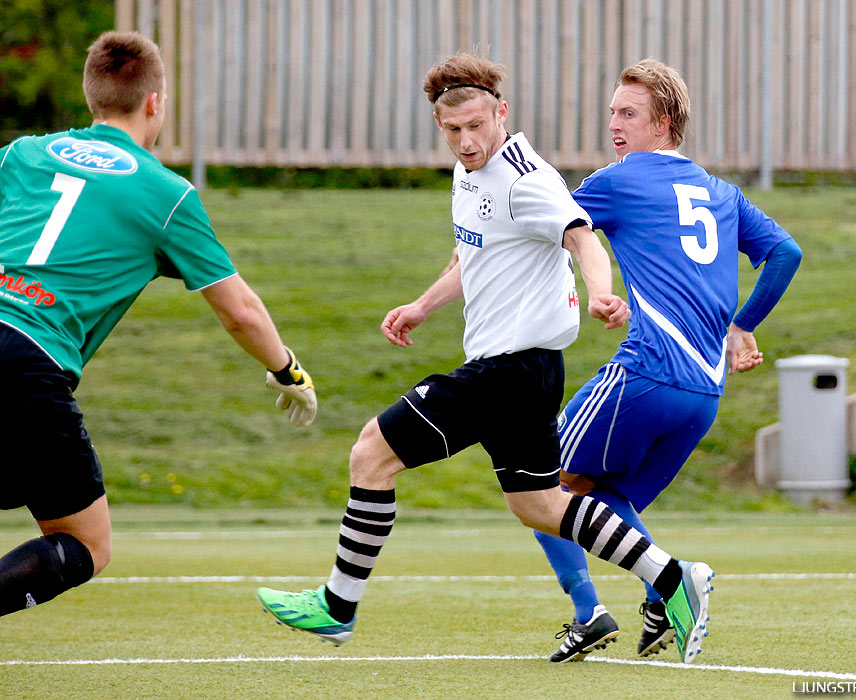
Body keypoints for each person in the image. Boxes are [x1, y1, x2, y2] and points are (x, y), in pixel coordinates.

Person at [255, 53, 715, 664]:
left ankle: (338, 606)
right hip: (525, 374)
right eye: (453, 131)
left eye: (477, 126)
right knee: (542, 506)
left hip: (508, 371)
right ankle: (671, 577)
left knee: (371, 452)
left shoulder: (528, 176)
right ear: (440, 125)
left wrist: (602, 292)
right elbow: (478, 253)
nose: (467, 142)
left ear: (501, 113)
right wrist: (423, 305)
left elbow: (582, 238)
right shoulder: (469, 173)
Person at [0, 31, 317, 617]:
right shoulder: (167, 195)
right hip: (28, 364)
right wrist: (288, 370)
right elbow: (240, 311)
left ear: (92, 96)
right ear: (155, 102)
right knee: (85, 543)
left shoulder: (21, 155)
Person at [532, 58, 803, 663]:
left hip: (648, 373)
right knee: (599, 502)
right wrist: (741, 326)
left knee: (537, 482)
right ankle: (663, 597)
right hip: (702, 394)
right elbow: (785, 253)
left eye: (627, 113)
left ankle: (606, 606)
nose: (613, 124)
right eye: (611, 112)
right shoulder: (723, 192)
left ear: (665, 123)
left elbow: (552, 227)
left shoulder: (622, 179)